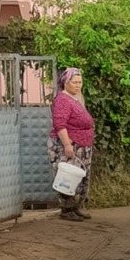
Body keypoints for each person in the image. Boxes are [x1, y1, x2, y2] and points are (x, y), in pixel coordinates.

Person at [50, 66, 94, 221]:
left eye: (80, 82)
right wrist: (67, 145)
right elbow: (60, 124)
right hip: (70, 144)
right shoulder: (62, 100)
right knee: (68, 176)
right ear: (65, 83)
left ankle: (75, 207)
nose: (78, 85)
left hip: (82, 145)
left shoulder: (75, 99)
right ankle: (67, 209)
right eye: (74, 82)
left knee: (79, 176)